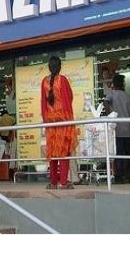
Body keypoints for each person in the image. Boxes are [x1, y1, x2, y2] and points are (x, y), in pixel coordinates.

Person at [40, 55, 78, 189]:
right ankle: (63, 182)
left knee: (52, 153)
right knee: (63, 152)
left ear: (49, 67)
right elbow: (69, 97)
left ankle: (53, 182)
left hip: (50, 122)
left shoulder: (44, 81)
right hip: (63, 121)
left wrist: (46, 119)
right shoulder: (62, 80)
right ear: (60, 67)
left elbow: (43, 103)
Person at [105, 73, 130, 184]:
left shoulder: (111, 94)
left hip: (116, 128)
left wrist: (110, 115)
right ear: (122, 84)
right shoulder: (128, 96)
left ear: (114, 83)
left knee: (118, 153)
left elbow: (105, 102)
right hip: (127, 128)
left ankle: (119, 176)